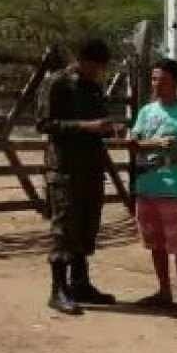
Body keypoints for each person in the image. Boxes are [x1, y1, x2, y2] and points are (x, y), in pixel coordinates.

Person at [36, 38, 120, 315]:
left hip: (91, 167)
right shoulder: (56, 83)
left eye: (101, 68)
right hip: (65, 169)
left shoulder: (93, 87)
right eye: (95, 67)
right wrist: (86, 126)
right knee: (64, 229)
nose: (98, 72)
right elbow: (44, 124)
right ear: (82, 61)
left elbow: (99, 121)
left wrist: (108, 128)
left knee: (87, 226)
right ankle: (57, 290)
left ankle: (80, 284)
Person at [129, 58, 177, 314]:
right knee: (155, 244)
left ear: (175, 83)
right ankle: (164, 291)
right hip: (145, 186)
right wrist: (150, 144)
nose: (156, 84)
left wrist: (175, 156)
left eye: (162, 80)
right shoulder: (146, 112)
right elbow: (134, 142)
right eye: (153, 79)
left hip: (171, 189)